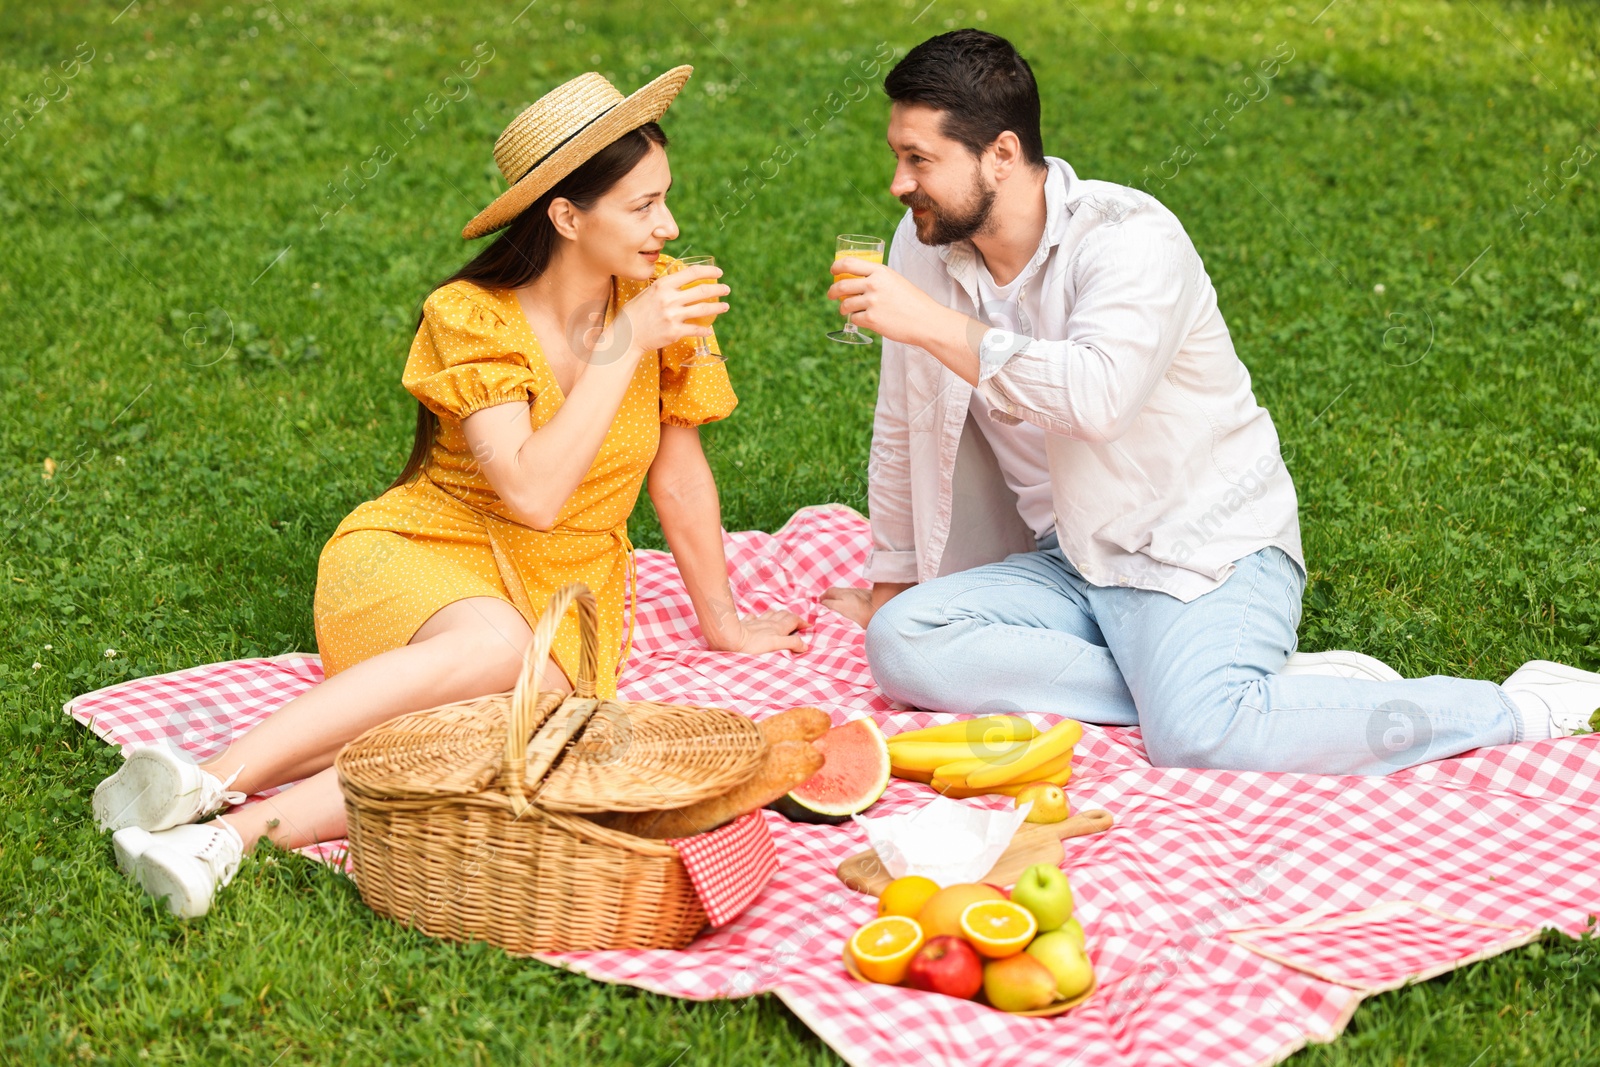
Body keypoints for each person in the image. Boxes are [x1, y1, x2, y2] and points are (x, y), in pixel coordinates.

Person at [91, 66, 806, 918]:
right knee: (504, 659)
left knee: (522, 724)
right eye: (643, 206)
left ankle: (225, 836)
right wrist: (622, 347)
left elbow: (678, 472)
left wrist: (722, 624)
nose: (670, 225)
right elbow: (532, 494)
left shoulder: (656, 300)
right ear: (568, 216)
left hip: (562, 597)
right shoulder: (475, 317)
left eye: (667, 198)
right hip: (421, 555)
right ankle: (207, 780)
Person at [823, 30, 1600, 774]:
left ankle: (1514, 707)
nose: (899, 183)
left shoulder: (1130, 240)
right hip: (1065, 559)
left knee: (1195, 736)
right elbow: (903, 423)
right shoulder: (921, 245)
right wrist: (892, 579)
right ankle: (1217, 684)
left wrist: (934, 325)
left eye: (918, 159)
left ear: (1001, 154)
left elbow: (1096, 397)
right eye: (898, 156)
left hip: (1197, 552)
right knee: (901, 642)